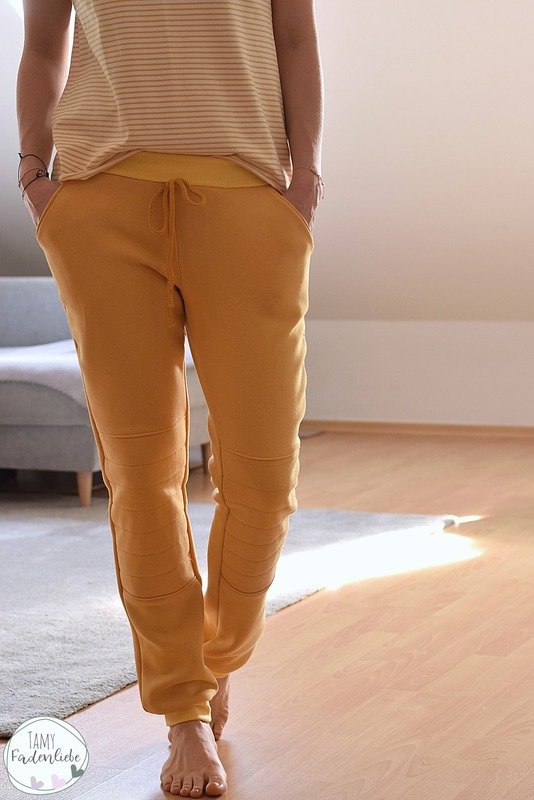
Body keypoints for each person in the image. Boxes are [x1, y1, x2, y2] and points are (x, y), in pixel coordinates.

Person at [16, 0, 324, 795]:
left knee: (264, 476)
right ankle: (184, 712)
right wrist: (34, 173)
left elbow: (295, 36)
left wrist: (305, 178)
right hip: (101, 201)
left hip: (249, 199)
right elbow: (43, 43)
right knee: (141, 470)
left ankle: (213, 657)